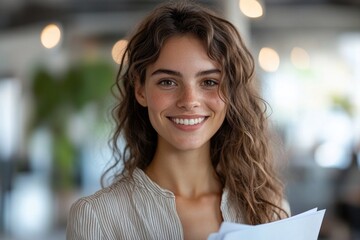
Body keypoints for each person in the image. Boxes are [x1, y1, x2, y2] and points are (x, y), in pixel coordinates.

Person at [66, 1, 289, 239]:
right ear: (140, 90)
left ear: (231, 93)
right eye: (168, 82)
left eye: (209, 82)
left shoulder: (269, 209)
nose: (189, 100)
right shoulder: (98, 217)